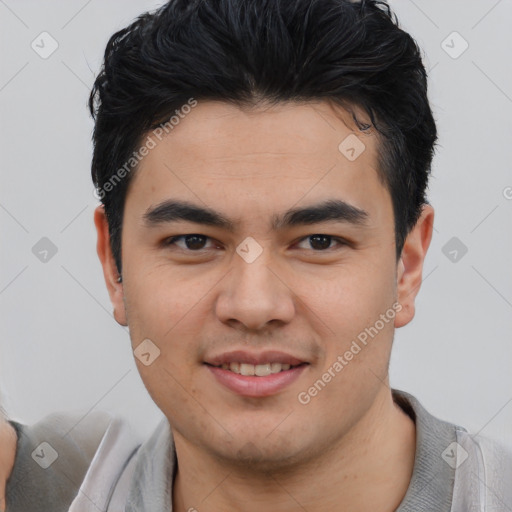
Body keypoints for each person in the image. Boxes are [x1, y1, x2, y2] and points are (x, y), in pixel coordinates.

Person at [4, 0, 512, 510]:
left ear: (408, 264)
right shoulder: (38, 488)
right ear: (113, 265)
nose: (253, 305)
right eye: (193, 241)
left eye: (319, 241)